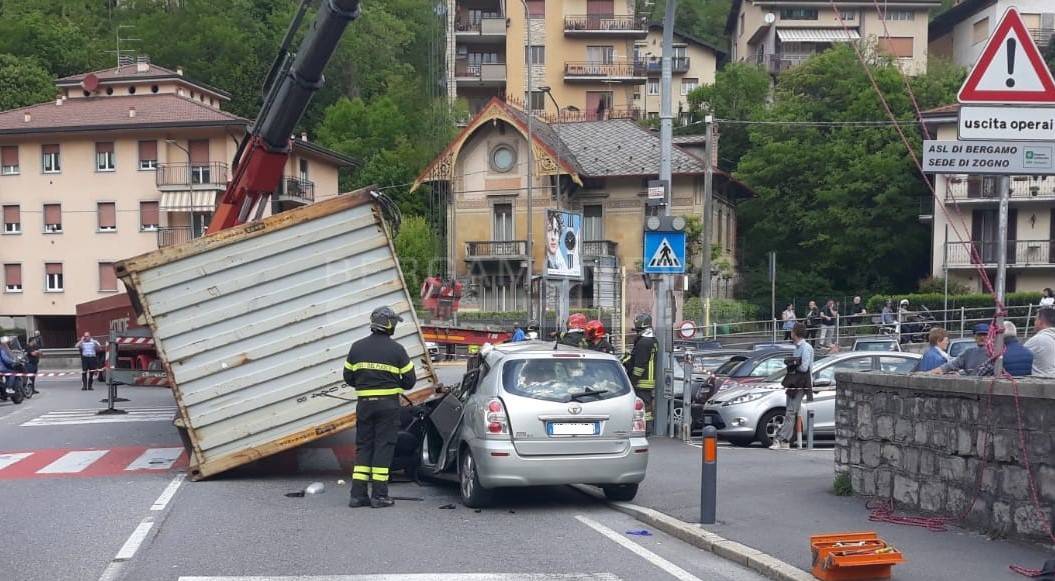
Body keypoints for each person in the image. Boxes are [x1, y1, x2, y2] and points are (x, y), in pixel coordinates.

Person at [344, 306, 416, 509]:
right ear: (389, 324)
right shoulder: (397, 350)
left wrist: (366, 384)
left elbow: (348, 377)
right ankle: (379, 496)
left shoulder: (356, 347)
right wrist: (393, 383)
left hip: (364, 405)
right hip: (388, 407)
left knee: (364, 446)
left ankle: (357, 496)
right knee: (383, 447)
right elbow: (410, 381)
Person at [771, 323, 814, 450]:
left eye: (792, 331)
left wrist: (793, 363)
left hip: (800, 383)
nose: (790, 333)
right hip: (793, 382)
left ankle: (781, 438)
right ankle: (785, 440)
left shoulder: (805, 348)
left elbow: (804, 367)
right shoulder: (797, 347)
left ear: (795, 333)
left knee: (791, 412)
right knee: (789, 411)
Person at [623, 314, 658, 435]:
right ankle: (647, 429)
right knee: (646, 407)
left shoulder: (644, 343)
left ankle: (646, 430)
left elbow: (639, 365)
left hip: (642, 381)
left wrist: (632, 380)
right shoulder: (651, 340)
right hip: (647, 380)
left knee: (643, 407)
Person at [1026, 308, 1055, 377]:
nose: (1034, 323)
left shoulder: (1038, 339)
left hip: (1042, 384)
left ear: (1040, 321)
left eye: (1035, 319)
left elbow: (1019, 354)